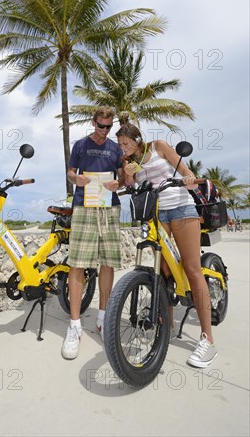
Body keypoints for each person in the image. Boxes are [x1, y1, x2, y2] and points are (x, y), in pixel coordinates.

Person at [116, 123, 218, 368]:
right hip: (156, 215)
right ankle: (168, 328)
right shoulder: (126, 162)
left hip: (181, 209)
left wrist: (189, 179)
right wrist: (129, 175)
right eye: (120, 144)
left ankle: (208, 340)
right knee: (163, 272)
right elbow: (128, 187)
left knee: (192, 269)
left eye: (126, 143)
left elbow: (185, 172)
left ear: (138, 140)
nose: (123, 148)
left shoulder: (159, 146)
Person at [61, 107, 125, 360]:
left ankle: (102, 317)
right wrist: (74, 179)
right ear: (93, 122)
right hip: (84, 206)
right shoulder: (79, 145)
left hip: (109, 207)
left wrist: (118, 183)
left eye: (108, 127)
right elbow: (70, 172)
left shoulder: (116, 148)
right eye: (101, 126)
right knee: (76, 264)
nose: (104, 131)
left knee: (107, 263)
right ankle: (74, 325)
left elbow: (123, 178)